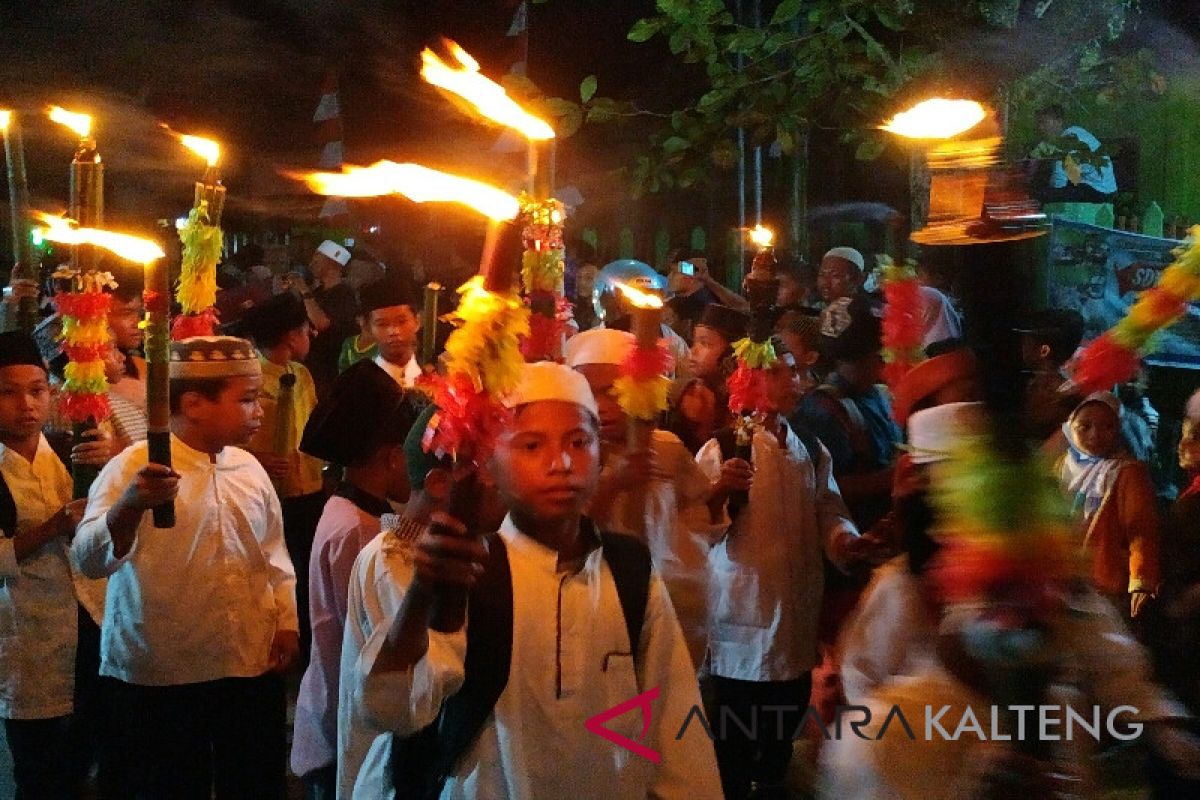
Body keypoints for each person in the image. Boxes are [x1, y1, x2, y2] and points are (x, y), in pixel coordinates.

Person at [338, 361, 722, 798]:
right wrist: (422, 594)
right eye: (532, 445)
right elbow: (393, 708)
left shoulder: (630, 572)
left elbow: (676, 730)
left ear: (601, 455)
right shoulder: (474, 570)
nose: (560, 463)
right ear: (490, 466)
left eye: (578, 442)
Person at [73, 336, 299, 799]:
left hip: (247, 663)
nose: (259, 412)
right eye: (248, 399)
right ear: (194, 403)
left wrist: (287, 621)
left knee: (253, 781)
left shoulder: (249, 469)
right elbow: (88, 560)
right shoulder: (132, 468)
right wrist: (130, 506)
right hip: (162, 672)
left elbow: (274, 557)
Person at [697, 337, 883, 800]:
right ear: (750, 380)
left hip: (795, 618)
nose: (796, 383)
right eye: (781, 372)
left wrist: (845, 540)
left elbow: (828, 509)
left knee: (779, 736)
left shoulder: (811, 449)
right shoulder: (723, 447)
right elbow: (693, 528)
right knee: (735, 740)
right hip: (741, 618)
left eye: (797, 371)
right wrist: (720, 490)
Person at [291, 360, 421, 799]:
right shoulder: (358, 530)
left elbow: (399, 527)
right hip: (339, 723)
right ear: (392, 457)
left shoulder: (360, 510)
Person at [566, 327, 729, 668]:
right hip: (591, 612)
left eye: (612, 392)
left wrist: (722, 491)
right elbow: (565, 540)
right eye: (589, 393)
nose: (601, 406)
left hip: (664, 608)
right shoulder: (569, 455)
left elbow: (698, 516)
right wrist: (613, 484)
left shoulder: (666, 448)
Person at [0, 331, 96, 798]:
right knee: (38, 771)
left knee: (81, 759)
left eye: (37, 390)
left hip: (85, 625)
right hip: (25, 634)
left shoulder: (66, 451)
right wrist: (54, 526)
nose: (26, 404)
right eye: (9, 392)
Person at [242, 293, 325, 670]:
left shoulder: (303, 376)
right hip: (270, 497)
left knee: (308, 576)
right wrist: (258, 458)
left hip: (310, 492)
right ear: (293, 336)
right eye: (307, 330)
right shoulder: (250, 378)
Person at [1057, 391, 1160, 623]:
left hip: (1104, 582)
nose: (1095, 434)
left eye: (1107, 426)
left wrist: (1141, 580)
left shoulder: (1127, 472)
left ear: (1120, 429)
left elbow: (1142, 529)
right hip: (1061, 580)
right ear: (1070, 427)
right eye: (1085, 426)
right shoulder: (1062, 465)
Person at [667, 303, 748, 454]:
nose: (693, 350)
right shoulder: (675, 395)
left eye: (705, 343)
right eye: (694, 341)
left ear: (732, 354)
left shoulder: (744, 409)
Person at [293, 240, 359, 400]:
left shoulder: (344, 293)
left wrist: (303, 290)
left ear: (332, 263)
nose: (311, 263)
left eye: (317, 258)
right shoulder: (318, 291)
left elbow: (321, 323)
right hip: (311, 366)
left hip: (329, 369)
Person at [1017, 308, 1085, 442]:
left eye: (1026, 342)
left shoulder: (1061, 397)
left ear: (1044, 350)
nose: (1022, 346)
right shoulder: (1032, 384)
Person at [1033, 104, 1117, 203]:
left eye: (1044, 123)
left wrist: (1050, 195)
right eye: (1039, 123)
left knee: (1040, 194)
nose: (1040, 128)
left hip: (1098, 192)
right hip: (1104, 189)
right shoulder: (1076, 132)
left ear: (1059, 122)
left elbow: (1059, 179)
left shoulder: (1069, 139)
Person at [666, 248, 749, 340]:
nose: (669, 277)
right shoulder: (672, 304)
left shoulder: (710, 308)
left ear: (690, 278)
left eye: (674, 272)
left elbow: (743, 307)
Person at [361, 277, 423, 389]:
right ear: (368, 329)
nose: (393, 331)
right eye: (382, 324)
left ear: (417, 321)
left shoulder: (434, 380)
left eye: (401, 321)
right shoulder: (362, 385)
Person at [107, 281, 147, 412]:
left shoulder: (143, 366)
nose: (138, 324)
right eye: (126, 313)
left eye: (139, 313)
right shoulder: (85, 380)